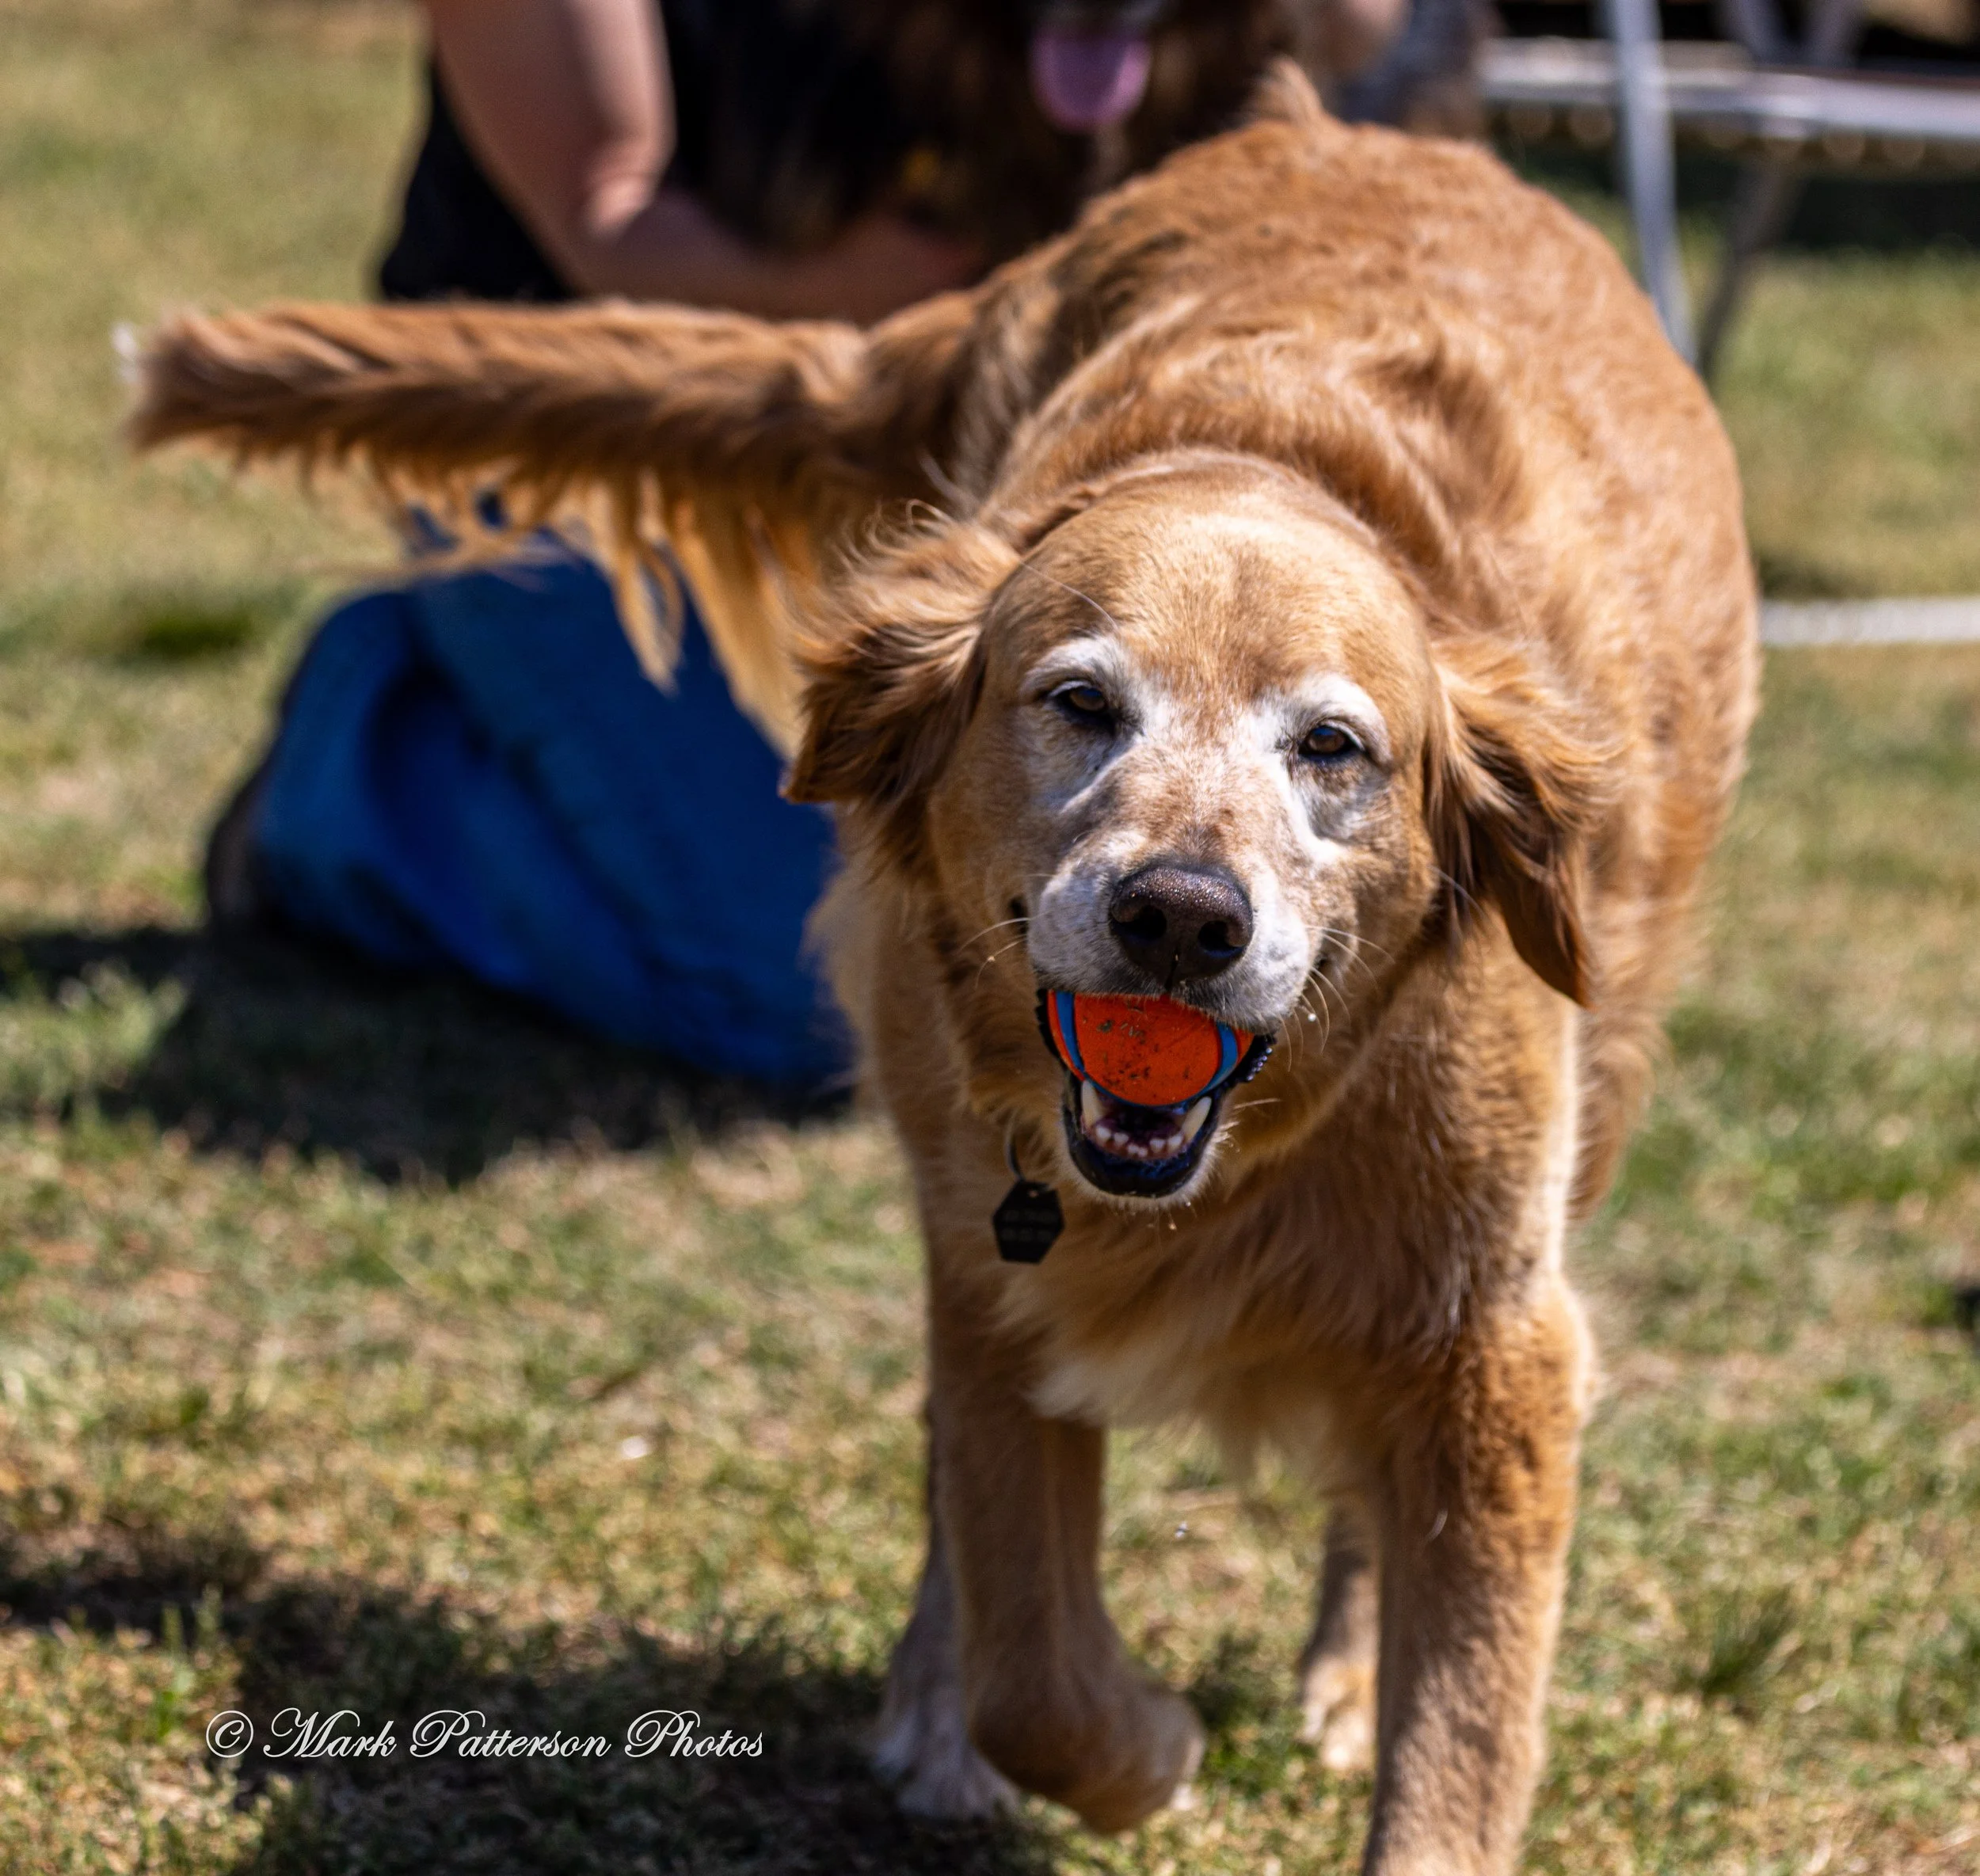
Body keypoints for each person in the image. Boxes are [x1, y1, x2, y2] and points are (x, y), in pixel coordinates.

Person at [211, 0, 1450, 1088]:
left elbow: (1365, 34)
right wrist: (986, 302)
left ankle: (544, 711)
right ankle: (354, 775)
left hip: (928, 474)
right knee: (796, 984)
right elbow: (611, 216)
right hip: (583, 455)